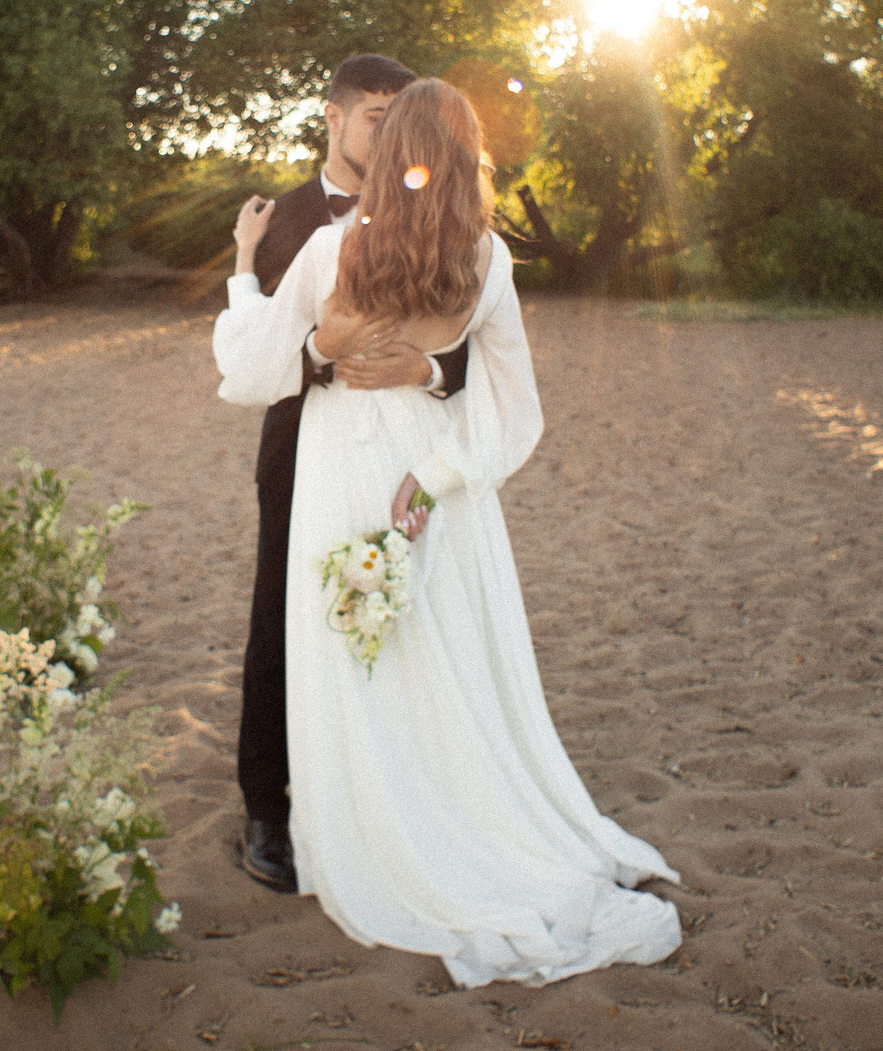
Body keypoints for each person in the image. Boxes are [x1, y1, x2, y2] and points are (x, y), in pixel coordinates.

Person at [213, 78, 680, 986]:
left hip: (343, 467)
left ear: (393, 155)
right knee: (438, 645)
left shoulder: (329, 248)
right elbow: (512, 406)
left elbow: (251, 367)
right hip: (427, 475)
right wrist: (434, 460)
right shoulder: (488, 259)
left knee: (357, 646)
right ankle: (462, 815)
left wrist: (241, 268)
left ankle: (378, 829)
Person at [232, 55, 471, 894]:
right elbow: (260, 344)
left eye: (400, 115)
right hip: (300, 443)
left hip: (399, 450)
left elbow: (467, 346)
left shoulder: (433, 206)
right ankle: (267, 803)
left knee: (399, 606)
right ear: (332, 118)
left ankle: (389, 786)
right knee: (282, 612)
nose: (392, 130)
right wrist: (329, 354)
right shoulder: (287, 221)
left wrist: (426, 371)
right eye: (376, 115)